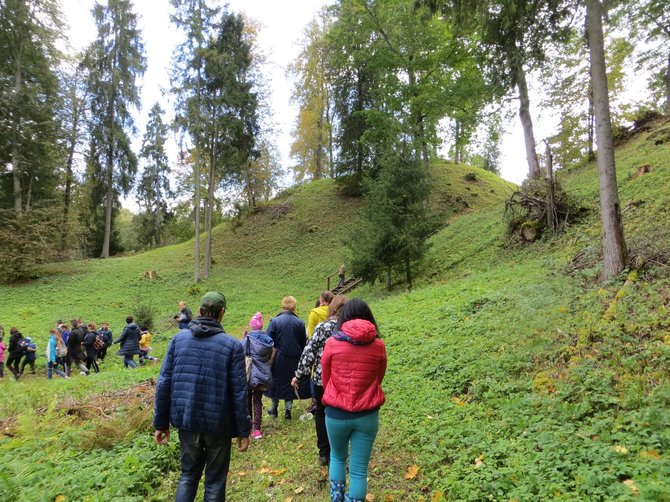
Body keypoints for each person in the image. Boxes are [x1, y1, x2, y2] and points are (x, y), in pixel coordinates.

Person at [154, 291, 251, 502]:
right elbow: (239, 392)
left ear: (199, 311)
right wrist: (244, 430)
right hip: (219, 424)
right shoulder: (232, 346)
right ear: (222, 313)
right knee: (215, 481)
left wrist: (161, 423)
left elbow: (164, 384)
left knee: (188, 476)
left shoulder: (177, 341)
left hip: (187, 420)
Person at [321, 298, 387, 502]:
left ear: (343, 317)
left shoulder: (332, 343)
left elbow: (326, 377)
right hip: (367, 415)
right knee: (359, 469)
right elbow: (379, 376)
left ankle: (336, 499)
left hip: (336, 413)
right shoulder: (378, 345)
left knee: (337, 458)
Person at [292, 294, 347, 467]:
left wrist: (299, 375)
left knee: (322, 413)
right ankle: (340, 450)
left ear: (332, 308)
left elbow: (309, 352)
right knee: (342, 414)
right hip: (344, 379)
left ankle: (324, 452)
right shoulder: (349, 328)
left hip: (322, 379)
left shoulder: (323, 327)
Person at [265, 296, 307, 419]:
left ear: (282, 306)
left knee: (276, 383)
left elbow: (268, 340)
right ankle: (288, 411)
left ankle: (273, 409)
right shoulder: (300, 323)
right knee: (290, 383)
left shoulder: (275, 321)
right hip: (294, 358)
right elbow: (303, 343)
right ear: (294, 306)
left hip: (277, 357)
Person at [243, 312, 276, 439]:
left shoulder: (247, 339)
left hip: (248, 374)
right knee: (257, 401)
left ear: (251, 326)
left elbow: (241, 353)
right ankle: (257, 429)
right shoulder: (268, 341)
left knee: (247, 400)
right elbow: (268, 356)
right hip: (262, 374)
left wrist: (243, 337)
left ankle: (248, 425)